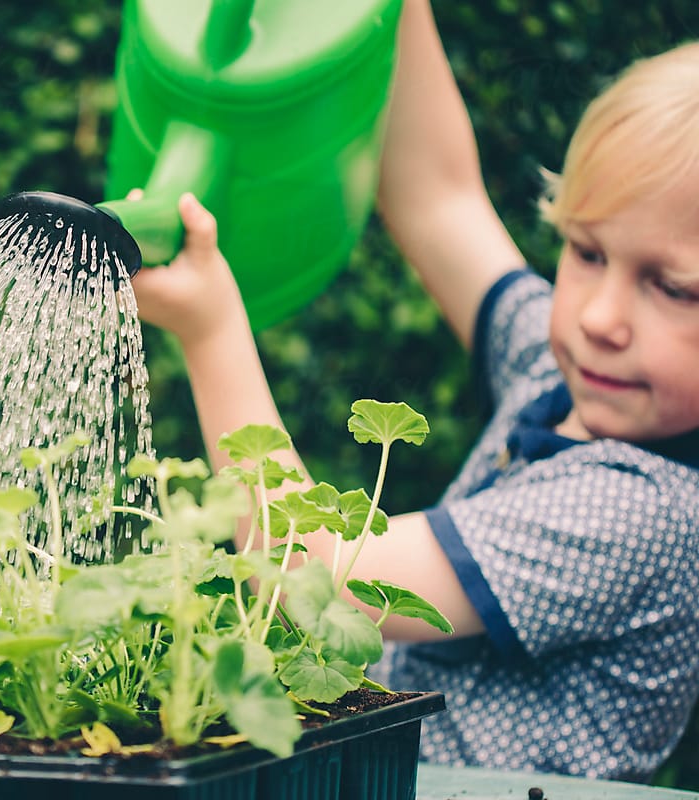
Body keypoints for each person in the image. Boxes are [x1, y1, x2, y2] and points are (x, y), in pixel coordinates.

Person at [129, 0, 699, 783]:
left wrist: (211, 329)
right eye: (587, 251)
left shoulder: (641, 510)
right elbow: (439, 199)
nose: (602, 319)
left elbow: (315, 582)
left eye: (674, 289)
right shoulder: (559, 374)